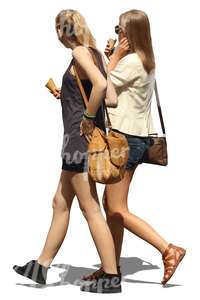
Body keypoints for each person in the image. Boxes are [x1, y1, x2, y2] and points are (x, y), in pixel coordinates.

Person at [13, 9, 121, 294]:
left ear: (63, 30)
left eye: (57, 29)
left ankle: (111, 276)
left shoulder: (79, 54)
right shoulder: (96, 54)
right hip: (76, 143)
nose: (57, 34)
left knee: (91, 209)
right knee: (59, 203)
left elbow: (99, 87)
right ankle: (41, 266)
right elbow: (110, 98)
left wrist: (85, 116)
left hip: (79, 142)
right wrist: (72, 96)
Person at [82, 9, 186, 286]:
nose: (118, 34)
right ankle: (111, 267)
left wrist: (112, 59)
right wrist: (113, 57)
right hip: (132, 139)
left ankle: (168, 249)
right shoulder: (143, 60)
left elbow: (102, 86)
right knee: (112, 205)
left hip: (125, 140)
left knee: (116, 208)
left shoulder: (132, 63)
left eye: (120, 30)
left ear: (131, 33)